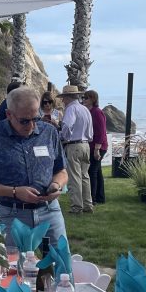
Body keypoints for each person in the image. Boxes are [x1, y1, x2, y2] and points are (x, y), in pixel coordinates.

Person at [0, 87, 68, 251]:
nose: (31, 125)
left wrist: (56, 185)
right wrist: (14, 192)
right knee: (14, 265)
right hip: (11, 215)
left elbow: (61, 171)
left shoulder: (49, 132)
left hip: (50, 211)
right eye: (24, 121)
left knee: (61, 263)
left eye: (36, 118)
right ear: (9, 114)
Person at [59, 85, 94, 215]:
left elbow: (67, 125)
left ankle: (77, 207)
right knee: (85, 176)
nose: (63, 101)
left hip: (74, 145)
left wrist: (63, 136)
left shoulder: (71, 109)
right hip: (86, 145)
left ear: (68, 97)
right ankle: (88, 204)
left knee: (74, 177)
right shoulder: (85, 109)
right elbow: (90, 130)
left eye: (63, 98)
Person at [84, 89, 108, 205]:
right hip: (92, 146)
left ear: (93, 99)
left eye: (86, 98)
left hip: (98, 146)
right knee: (97, 172)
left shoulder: (97, 112)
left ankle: (92, 199)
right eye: (83, 98)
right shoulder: (89, 112)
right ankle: (100, 197)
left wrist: (97, 149)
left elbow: (101, 132)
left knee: (92, 171)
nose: (84, 100)